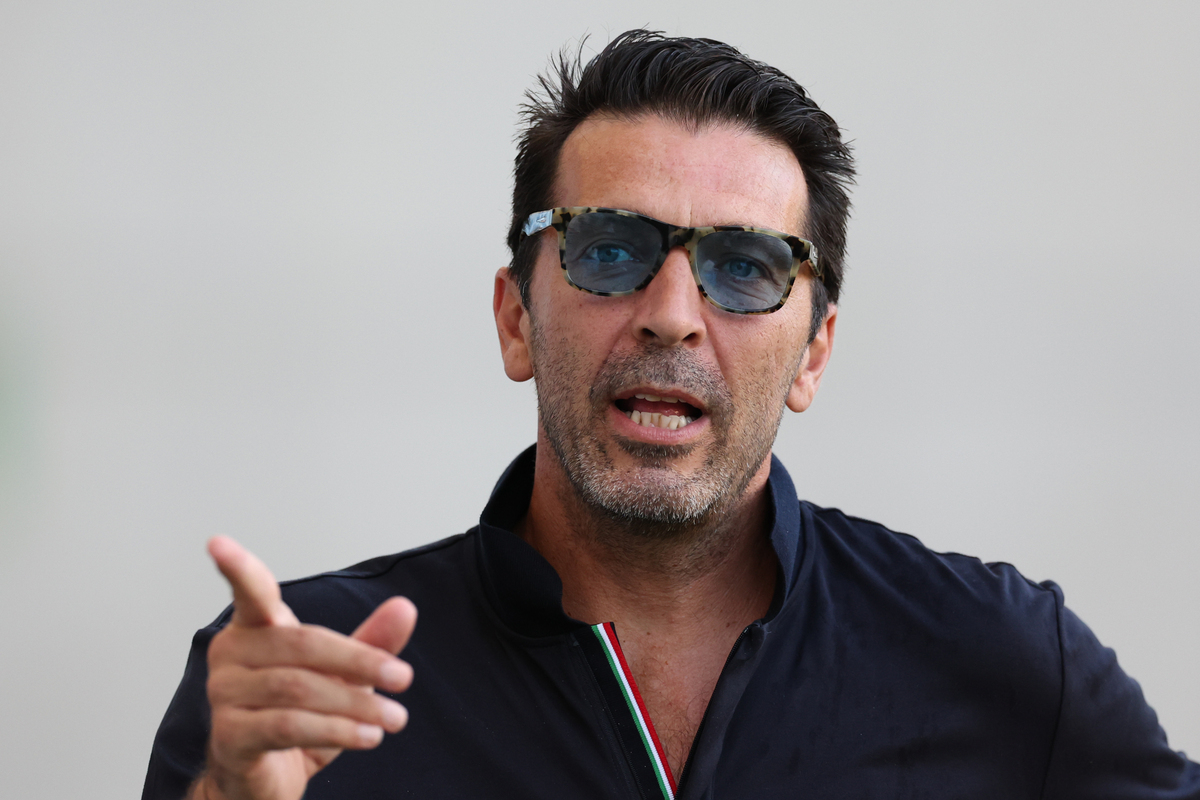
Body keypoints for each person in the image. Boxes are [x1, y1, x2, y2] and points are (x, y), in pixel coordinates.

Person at [143, 30, 1200, 800]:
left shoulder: (1000, 660)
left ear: (813, 353)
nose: (672, 317)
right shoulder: (294, 683)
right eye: (611, 249)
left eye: (745, 266)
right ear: (516, 318)